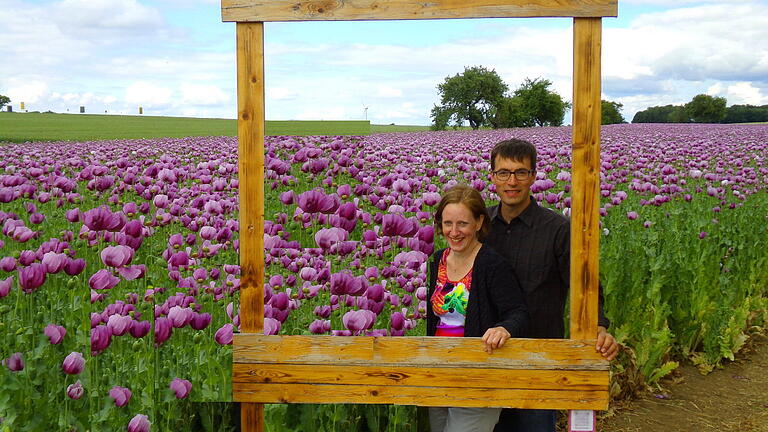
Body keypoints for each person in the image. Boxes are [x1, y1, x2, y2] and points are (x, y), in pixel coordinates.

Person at [484, 138, 619, 432]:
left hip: (540, 356)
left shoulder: (558, 229)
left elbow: (583, 282)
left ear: (533, 176)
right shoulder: (481, 226)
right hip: (489, 356)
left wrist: (598, 325)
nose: (512, 181)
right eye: (503, 172)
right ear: (492, 177)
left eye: (521, 172)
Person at [426, 184, 529, 432]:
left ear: (479, 222)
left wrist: (504, 328)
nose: (454, 231)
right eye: (448, 223)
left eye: (463, 223)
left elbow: (518, 312)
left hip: (478, 372)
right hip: (436, 371)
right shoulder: (436, 260)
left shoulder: (492, 264)